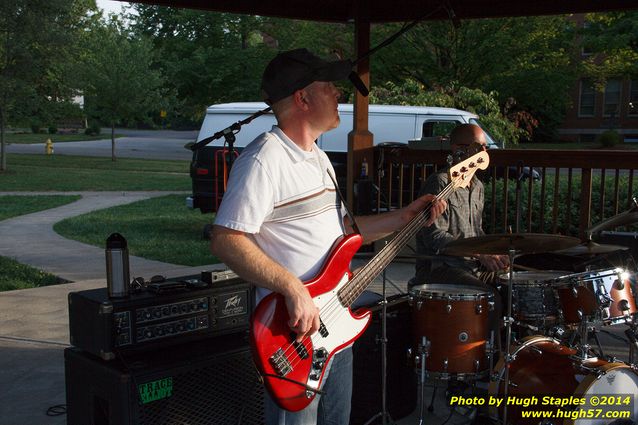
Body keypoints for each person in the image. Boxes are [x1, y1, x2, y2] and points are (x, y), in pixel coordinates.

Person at [209, 48, 446, 425]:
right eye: (330, 87)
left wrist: (404, 217)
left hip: (334, 326)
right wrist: (293, 287)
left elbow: (345, 234)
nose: (339, 95)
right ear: (302, 98)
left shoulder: (317, 157)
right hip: (292, 334)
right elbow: (226, 239)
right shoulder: (263, 160)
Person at [412, 124, 509, 331]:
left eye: (485, 147)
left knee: (512, 284)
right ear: (458, 149)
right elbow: (434, 236)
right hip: (442, 268)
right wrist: (479, 254)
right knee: (489, 297)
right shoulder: (439, 183)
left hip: (471, 266)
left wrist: (493, 252)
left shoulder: (478, 187)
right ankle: (490, 355)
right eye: (478, 147)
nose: (484, 153)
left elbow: (476, 232)